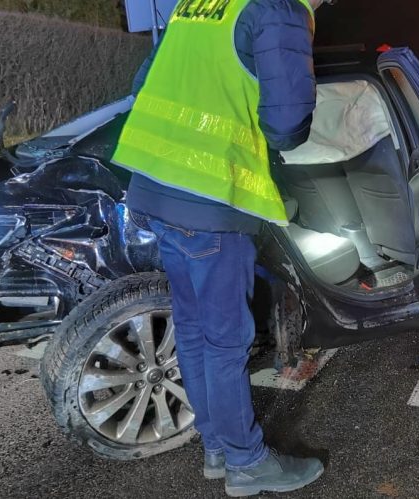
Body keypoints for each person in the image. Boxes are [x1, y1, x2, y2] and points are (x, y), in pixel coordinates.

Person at [112, 0, 334, 496]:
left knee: (193, 330)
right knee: (226, 341)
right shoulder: (279, 9)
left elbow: (143, 84)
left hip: (157, 189)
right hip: (212, 199)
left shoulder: (200, 4)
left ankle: (215, 446)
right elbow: (287, 125)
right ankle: (247, 463)